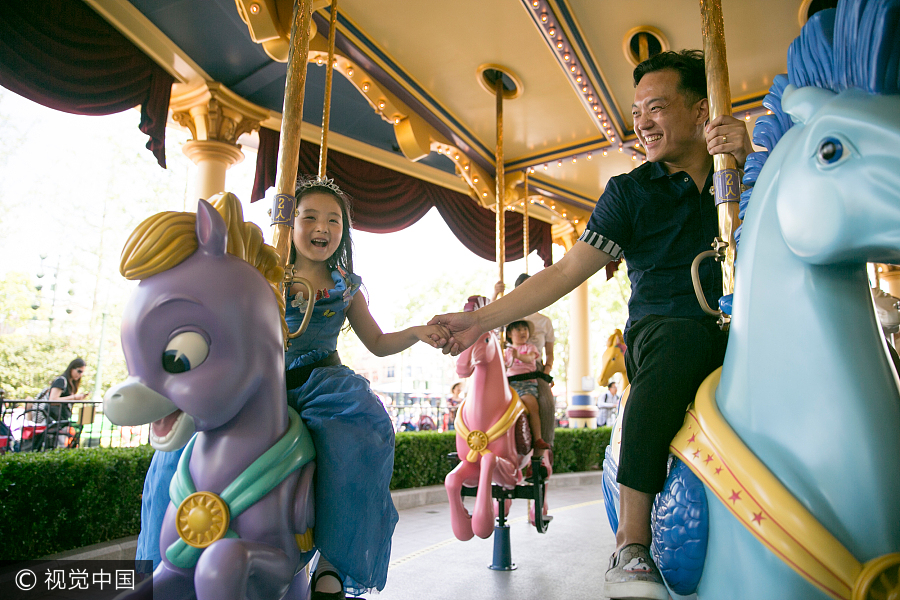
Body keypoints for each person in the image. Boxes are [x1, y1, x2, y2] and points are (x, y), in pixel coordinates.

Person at [430, 49, 752, 600]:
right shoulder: (629, 194)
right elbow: (566, 272)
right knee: (677, 347)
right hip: (668, 323)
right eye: (636, 112)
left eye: (657, 107)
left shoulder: (740, 173)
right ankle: (631, 540)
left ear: (703, 111)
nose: (643, 122)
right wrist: (477, 321)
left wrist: (749, 163)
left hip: (745, 318)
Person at [135, 180, 449, 600]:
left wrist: (415, 332)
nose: (323, 227)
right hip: (263, 385)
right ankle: (164, 556)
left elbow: (376, 342)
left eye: (333, 220)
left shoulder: (345, 285)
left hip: (321, 384)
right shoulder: (264, 272)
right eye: (310, 217)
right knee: (179, 446)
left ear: (344, 231)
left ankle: (333, 563)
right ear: (290, 222)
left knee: (358, 440)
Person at [496, 274, 557, 442]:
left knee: (546, 404)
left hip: (535, 369)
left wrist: (546, 370)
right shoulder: (510, 314)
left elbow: (549, 352)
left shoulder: (544, 321)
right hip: (510, 370)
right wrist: (495, 294)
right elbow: (492, 325)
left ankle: (542, 446)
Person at [504, 320, 550, 457]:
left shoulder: (530, 348)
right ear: (509, 334)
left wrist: (518, 355)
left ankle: (538, 438)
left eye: (525, 329)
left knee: (532, 405)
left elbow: (530, 358)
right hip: (509, 385)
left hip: (526, 383)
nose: (523, 332)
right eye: (518, 330)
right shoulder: (506, 351)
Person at [41, 357, 87, 447]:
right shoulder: (61, 381)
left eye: (82, 372)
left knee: (62, 443)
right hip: (53, 418)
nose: (80, 375)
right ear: (72, 368)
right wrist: (73, 397)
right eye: (79, 371)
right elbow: (53, 400)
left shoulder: (71, 383)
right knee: (57, 444)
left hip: (62, 419)